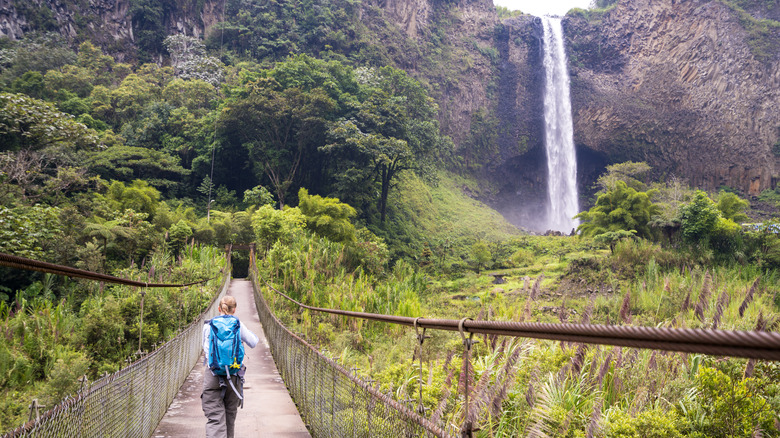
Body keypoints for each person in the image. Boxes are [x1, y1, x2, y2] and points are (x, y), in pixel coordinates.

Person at [202, 295, 259, 438]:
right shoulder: (238, 324)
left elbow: (205, 349)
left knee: (215, 419)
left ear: (219, 308)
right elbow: (253, 342)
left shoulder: (208, 326)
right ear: (234, 310)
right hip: (233, 376)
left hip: (213, 376)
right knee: (229, 417)